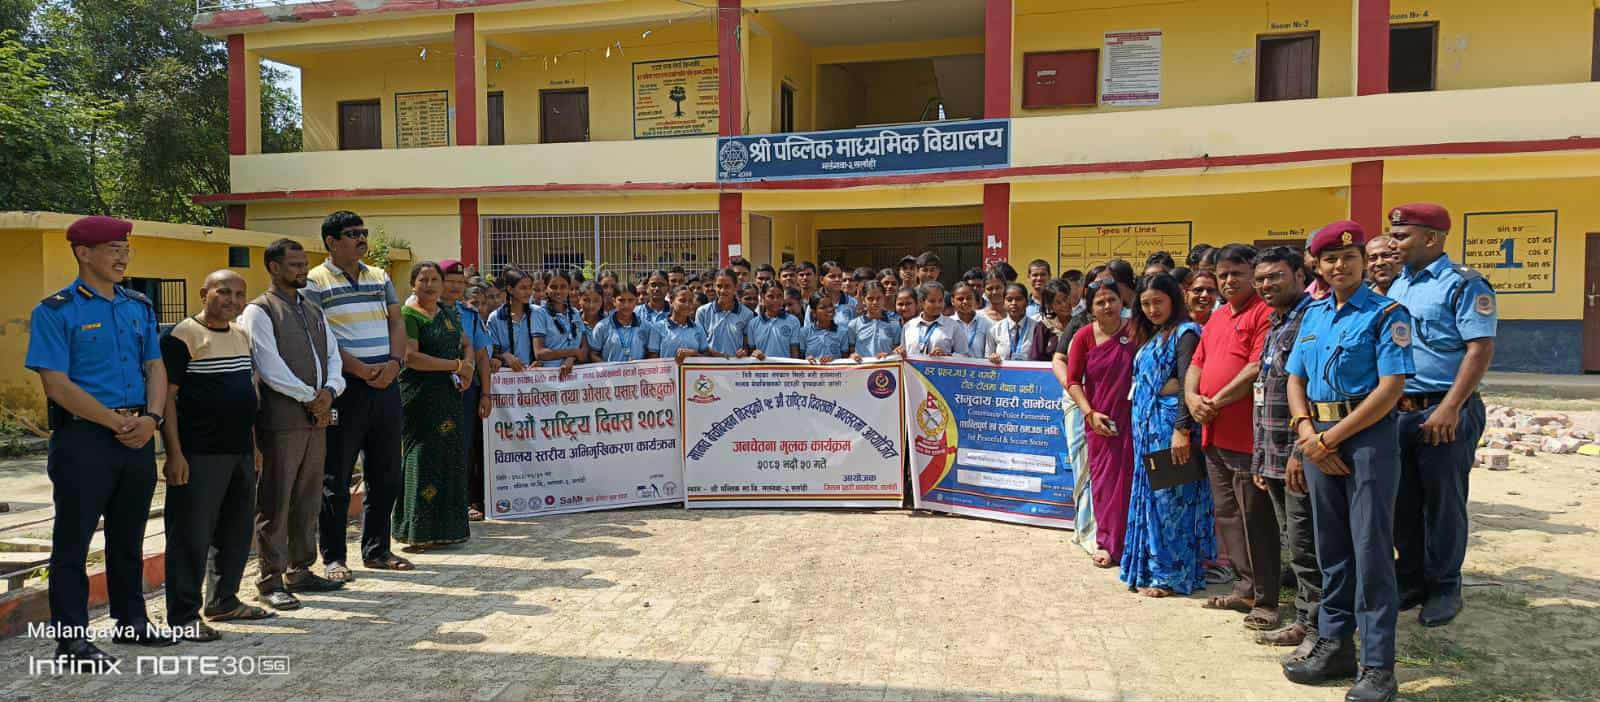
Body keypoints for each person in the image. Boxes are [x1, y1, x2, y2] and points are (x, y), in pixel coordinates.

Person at [27, 216, 176, 667]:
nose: (123, 257)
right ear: (83, 253)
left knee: (129, 537)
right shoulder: (55, 311)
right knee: (72, 544)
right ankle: (72, 641)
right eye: (113, 248)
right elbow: (56, 383)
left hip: (138, 435)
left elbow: (155, 366)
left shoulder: (138, 306)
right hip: (85, 439)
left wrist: (151, 419)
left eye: (126, 248)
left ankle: (132, 622)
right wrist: (115, 422)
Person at [1281, 220, 1414, 702]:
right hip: (1318, 436)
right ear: (1317, 265)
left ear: (1363, 261)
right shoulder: (1313, 315)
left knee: (1371, 551)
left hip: (1366, 440)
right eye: (1330, 259)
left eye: (1349, 257)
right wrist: (1306, 433)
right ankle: (1335, 645)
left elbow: (1391, 388)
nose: (1340, 265)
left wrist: (1329, 439)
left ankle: (1378, 666)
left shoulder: (1387, 314)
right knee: (1332, 549)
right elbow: (1295, 378)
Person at [1385, 203, 1495, 628]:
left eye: (1401, 236)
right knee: (1403, 501)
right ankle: (1411, 578)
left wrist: (1450, 406)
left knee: (1443, 503)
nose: (1392, 243)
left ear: (1431, 239)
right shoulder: (1398, 284)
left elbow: (1479, 349)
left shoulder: (1463, 284)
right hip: (1399, 411)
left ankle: (1445, 586)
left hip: (1444, 409)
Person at [304, 210, 412, 578]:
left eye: (363, 232)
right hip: (345, 389)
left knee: (386, 472)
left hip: (387, 384)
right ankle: (334, 557)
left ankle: (378, 550)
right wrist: (360, 370)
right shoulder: (314, 281)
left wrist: (395, 363)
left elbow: (396, 321)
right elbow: (320, 337)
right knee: (336, 476)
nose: (361, 239)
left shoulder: (380, 276)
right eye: (352, 234)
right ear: (331, 242)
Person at [242, 239, 346, 612]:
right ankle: (269, 579)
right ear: (274, 267)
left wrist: (330, 391)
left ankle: (299, 570)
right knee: (276, 499)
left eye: (304, 264)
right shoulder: (259, 311)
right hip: (282, 419)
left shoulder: (312, 308)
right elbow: (269, 367)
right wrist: (310, 397)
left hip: (316, 417)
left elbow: (332, 355)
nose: (303, 270)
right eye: (295, 265)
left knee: (308, 497)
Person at [159, 270, 261, 642]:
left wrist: (254, 448)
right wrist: (174, 454)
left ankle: (224, 601)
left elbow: (248, 393)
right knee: (190, 536)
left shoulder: (241, 335)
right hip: (199, 454)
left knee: (235, 532)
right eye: (223, 292)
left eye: (239, 294)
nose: (232, 300)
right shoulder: (181, 336)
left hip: (240, 452)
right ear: (204, 294)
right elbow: (166, 399)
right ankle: (183, 615)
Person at [1187, 243, 1280, 631]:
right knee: (1227, 516)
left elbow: (1256, 367)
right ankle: (1244, 588)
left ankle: (1267, 600)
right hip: (1214, 435)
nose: (1228, 281)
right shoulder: (1218, 317)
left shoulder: (1264, 313)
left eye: (1236, 274)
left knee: (1255, 519)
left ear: (1252, 275)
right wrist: (1192, 398)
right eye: (1222, 274)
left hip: (1247, 438)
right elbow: (1197, 363)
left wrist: (1215, 401)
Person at [1120, 273, 1213, 597]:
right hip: (1147, 432)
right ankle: (1150, 569)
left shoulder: (1186, 333)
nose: (1152, 309)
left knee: (1172, 504)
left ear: (1174, 299)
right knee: (1153, 502)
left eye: (1158, 302)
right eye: (1145, 304)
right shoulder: (1153, 336)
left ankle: (1171, 576)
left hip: (1170, 430)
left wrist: (1181, 430)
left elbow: (1189, 384)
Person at [1250, 247, 1322, 653]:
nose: (1266, 285)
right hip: (1273, 456)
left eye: (1275, 276)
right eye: (1261, 279)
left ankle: (1315, 628)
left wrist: (1299, 452)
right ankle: (1306, 620)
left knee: (1307, 545)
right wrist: (1261, 458)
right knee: (1294, 542)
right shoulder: (1277, 323)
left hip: (1297, 456)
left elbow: (1311, 393)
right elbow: (1266, 393)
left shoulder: (1311, 320)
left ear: (1299, 275)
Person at [393, 262, 472, 551]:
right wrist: (457, 366)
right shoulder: (408, 315)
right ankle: (416, 531)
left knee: (448, 456)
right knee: (422, 456)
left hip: (448, 395)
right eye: (423, 280)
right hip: (420, 396)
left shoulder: (448, 313)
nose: (429, 285)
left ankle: (447, 530)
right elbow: (411, 357)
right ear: (413, 284)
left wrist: (467, 368)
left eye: (434, 279)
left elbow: (466, 344)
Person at [1063, 280, 1136, 567]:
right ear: (1091, 308)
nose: (1107, 306)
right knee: (1105, 482)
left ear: (1122, 301)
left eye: (1112, 300)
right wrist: (1089, 413)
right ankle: (1106, 542)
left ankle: (1133, 543)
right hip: (1100, 421)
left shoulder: (1136, 331)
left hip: (1135, 418)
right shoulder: (1084, 336)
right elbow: (1073, 381)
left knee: (1133, 481)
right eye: (1100, 302)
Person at [439, 260, 494, 522]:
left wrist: (485, 394)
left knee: (463, 447)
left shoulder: (469, 315)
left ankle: (460, 502)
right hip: (433, 388)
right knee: (435, 447)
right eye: (449, 282)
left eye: (459, 283)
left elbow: (482, 356)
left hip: (466, 390)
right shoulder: (421, 312)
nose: (454, 287)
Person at [531, 269, 588, 376]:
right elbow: (539, 353)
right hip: (550, 377)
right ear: (546, 288)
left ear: (568, 288)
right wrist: (573, 352)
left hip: (576, 377)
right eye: (553, 287)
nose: (558, 291)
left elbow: (584, 350)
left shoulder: (575, 313)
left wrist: (571, 358)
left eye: (563, 287)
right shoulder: (540, 314)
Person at [698, 267, 755, 357]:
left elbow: (746, 346)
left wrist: (743, 353)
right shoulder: (703, 312)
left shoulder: (747, 314)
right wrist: (718, 355)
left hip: (736, 364)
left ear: (735, 287)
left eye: (727, 286)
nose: (722, 291)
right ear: (714, 286)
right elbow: (699, 344)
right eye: (719, 286)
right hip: (709, 364)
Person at [648, 288, 717, 361]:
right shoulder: (658, 327)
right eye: (682, 301)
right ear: (672, 302)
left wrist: (694, 354)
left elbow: (706, 356)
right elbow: (653, 357)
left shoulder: (698, 329)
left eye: (690, 301)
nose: (687, 304)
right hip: (666, 368)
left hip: (692, 368)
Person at [900, 282, 967, 357]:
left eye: (940, 300)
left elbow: (964, 356)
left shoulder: (953, 326)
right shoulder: (909, 326)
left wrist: (947, 356)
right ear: (921, 302)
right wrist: (900, 353)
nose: (937, 305)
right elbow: (903, 354)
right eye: (932, 301)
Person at [490, 268, 538, 371]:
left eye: (530, 287)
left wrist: (540, 360)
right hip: (507, 377)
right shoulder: (496, 317)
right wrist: (504, 356)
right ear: (510, 289)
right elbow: (492, 352)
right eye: (523, 288)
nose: (528, 292)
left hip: (536, 376)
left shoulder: (538, 313)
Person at [591, 283, 650, 362]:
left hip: (637, 370)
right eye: (621, 300)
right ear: (614, 301)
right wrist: (607, 367)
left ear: (636, 301)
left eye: (630, 300)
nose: (626, 305)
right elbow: (593, 354)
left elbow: (650, 353)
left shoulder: (645, 326)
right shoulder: (602, 327)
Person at [746, 282, 801, 360]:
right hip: (761, 367)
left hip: (785, 367)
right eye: (771, 297)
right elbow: (752, 353)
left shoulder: (793, 321)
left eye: (779, 296)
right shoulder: (753, 324)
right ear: (762, 296)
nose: (775, 300)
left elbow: (794, 354)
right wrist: (757, 355)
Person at [848, 282, 900, 360]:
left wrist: (889, 355)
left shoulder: (894, 325)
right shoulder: (854, 325)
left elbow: (897, 351)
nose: (875, 302)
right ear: (863, 300)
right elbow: (850, 351)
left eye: (879, 298)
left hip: (886, 366)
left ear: (884, 298)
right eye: (870, 299)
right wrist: (852, 356)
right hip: (862, 367)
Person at [799, 292, 853, 363]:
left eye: (830, 305)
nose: (829, 309)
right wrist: (807, 359)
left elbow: (845, 359)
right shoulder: (804, 332)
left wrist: (834, 360)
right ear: (814, 313)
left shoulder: (842, 332)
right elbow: (799, 358)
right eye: (823, 307)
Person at [1030, 280, 1075, 362]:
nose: (1064, 304)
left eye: (1066, 299)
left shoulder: (1080, 324)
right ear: (1050, 306)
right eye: (1058, 302)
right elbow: (1036, 358)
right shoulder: (1043, 327)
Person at [991, 283, 1037, 363]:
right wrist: (992, 358)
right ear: (1003, 302)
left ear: (1027, 302)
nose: (1014, 303)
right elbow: (987, 358)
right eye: (1009, 300)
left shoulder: (1037, 328)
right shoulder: (995, 329)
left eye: (1018, 299)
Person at [950, 282, 996, 359]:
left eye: (969, 298)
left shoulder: (986, 324)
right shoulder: (947, 324)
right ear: (952, 301)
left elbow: (989, 354)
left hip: (979, 366)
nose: (965, 301)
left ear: (974, 299)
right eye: (960, 299)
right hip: (953, 366)